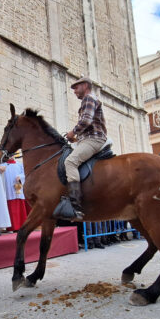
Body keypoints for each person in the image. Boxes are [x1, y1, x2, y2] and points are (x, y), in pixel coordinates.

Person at [59, 76, 107, 221]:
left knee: (70, 162)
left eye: (76, 87)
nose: (74, 91)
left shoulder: (88, 98)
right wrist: (76, 138)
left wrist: (73, 132)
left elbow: (86, 120)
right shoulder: (90, 99)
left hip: (94, 139)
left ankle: (76, 206)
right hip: (88, 138)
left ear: (85, 85)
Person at [2, 157, 28, 232]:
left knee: (19, 208)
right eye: (9, 155)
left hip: (18, 189)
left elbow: (24, 173)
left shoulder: (20, 165)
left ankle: (21, 226)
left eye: (12, 154)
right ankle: (10, 227)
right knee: (10, 208)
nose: (11, 156)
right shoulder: (3, 165)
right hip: (7, 189)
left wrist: (20, 177)